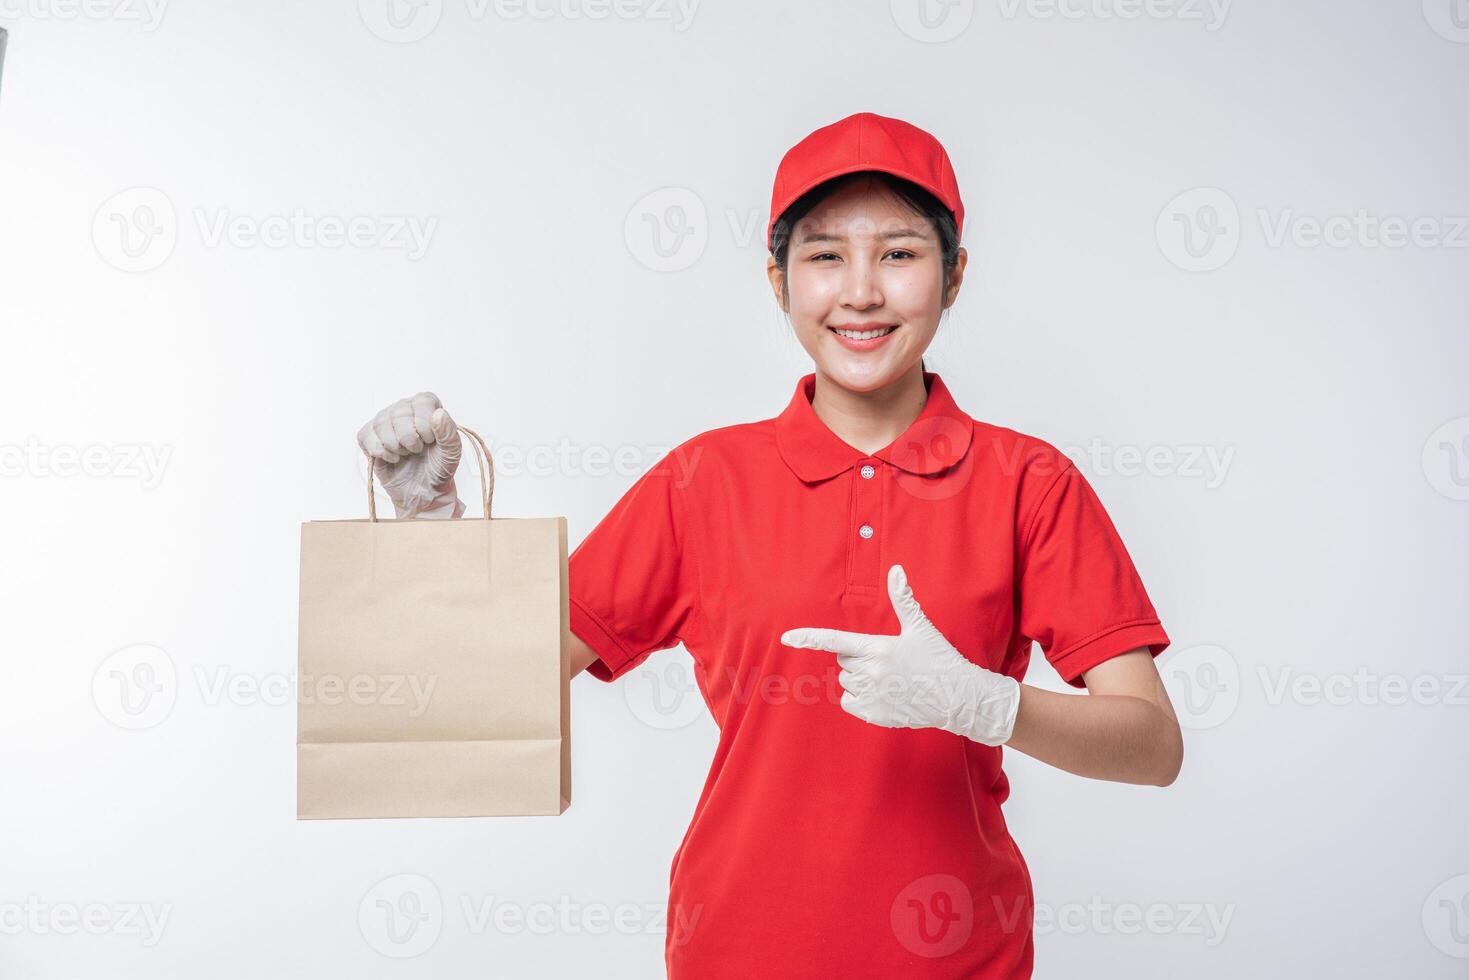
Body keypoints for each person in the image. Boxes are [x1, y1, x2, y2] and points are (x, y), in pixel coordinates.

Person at [356, 111, 1182, 979]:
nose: (860, 291)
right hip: (736, 952)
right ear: (778, 281)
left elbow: (1153, 746)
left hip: (960, 958)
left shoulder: (1029, 482)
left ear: (954, 275)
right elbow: (499, 684)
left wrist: (986, 704)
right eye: (825, 256)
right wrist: (434, 538)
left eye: (899, 254)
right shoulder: (702, 482)